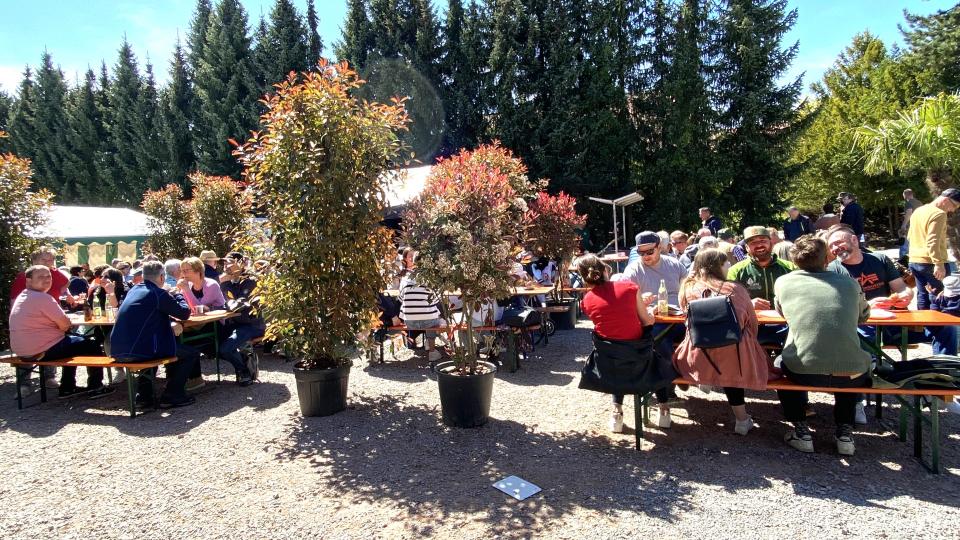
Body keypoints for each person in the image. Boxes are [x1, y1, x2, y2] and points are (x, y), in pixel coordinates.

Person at [774, 236, 872, 456]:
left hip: (803, 370)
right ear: (827, 257)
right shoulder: (849, 282)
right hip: (851, 370)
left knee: (780, 363)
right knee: (851, 365)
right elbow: (864, 315)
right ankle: (845, 432)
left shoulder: (783, 282)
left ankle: (801, 429)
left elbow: (783, 312)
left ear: (794, 259)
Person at [673, 249, 769, 435]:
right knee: (730, 360)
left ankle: (705, 378)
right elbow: (752, 323)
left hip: (699, 352)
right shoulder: (736, 289)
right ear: (717, 266)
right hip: (736, 354)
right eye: (725, 262)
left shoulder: (688, 289)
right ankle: (741, 420)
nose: (729, 265)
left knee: (718, 358)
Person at [574, 253, 665, 432]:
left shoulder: (586, 301)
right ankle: (664, 408)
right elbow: (647, 321)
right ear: (605, 269)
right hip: (640, 356)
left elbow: (612, 322)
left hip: (609, 362)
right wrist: (649, 311)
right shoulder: (630, 287)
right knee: (660, 353)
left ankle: (617, 412)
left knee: (619, 352)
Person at [9, 265, 113, 398]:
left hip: (23, 351)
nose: (46, 280)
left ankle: (67, 387)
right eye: (41, 277)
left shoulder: (23, 296)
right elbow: (65, 325)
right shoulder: (42, 298)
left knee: (74, 343)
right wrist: (62, 326)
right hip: (41, 350)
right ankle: (95, 387)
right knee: (92, 345)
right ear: (28, 280)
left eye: (48, 276)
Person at [110, 261, 198, 408]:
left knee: (155, 348)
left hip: (117, 349)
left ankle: (144, 396)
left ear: (143, 276)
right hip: (141, 350)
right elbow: (184, 313)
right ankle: (173, 394)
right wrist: (177, 294)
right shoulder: (158, 293)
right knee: (190, 354)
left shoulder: (133, 291)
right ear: (162, 277)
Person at [621, 230, 687, 407]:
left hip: (679, 319)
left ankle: (675, 380)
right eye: (641, 253)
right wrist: (641, 301)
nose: (645, 256)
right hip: (652, 320)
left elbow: (688, 289)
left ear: (660, 248)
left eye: (649, 252)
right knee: (658, 340)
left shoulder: (674, 264)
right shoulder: (634, 269)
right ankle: (672, 382)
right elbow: (624, 299)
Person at [727, 226, 796, 346]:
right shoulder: (735, 270)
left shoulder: (790, 268)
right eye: (753, 242)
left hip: (786, 324)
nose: (759, 245)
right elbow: (728, 300)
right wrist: (748, 304)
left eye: (763, 241)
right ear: (747, 248)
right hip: (752, 327)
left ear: (771, 243)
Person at [907, 188, 960, 310]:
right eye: (954, 205)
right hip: (931, 263)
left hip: (915, 261)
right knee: (939, 296)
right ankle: (936, 329)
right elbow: (933, 240)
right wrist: (938, 263)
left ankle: (921, 328)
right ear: (946, 200)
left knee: (923, 296)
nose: (952, 210)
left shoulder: (919, 210)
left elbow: (910, 236)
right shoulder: (939, 214)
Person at [218, 252, 264, 386]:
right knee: (210, 346)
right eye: (225, 263)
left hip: (251, 325)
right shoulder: (226, 280)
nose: (226, 266)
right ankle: (245, 358)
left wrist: (224, 283)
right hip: (233, 324)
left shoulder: (250, 281)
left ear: (241, 263)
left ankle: (244, 370)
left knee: (225, 349)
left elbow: (237, 303)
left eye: (230, 262)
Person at [398, 251, 444, 363]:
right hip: (428, 321)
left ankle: (427, 342)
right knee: (435, 316)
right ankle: (432, 350)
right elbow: (436, 300)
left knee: (426, 314)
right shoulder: (430, 279)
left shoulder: (405, 278)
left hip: (409, 322)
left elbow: (400, 298)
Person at [930, 276, 960, 414]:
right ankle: (942, 388)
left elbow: (934, 310)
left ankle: (941, 387)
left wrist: (932, 296)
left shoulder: (941, 297)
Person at [900, 188, 923, 258]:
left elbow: (909, 213)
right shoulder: (919, 202)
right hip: (919, 226)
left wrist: (904, 225)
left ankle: (903, 261)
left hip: (911, 226)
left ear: (905, 195)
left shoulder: (908, 203)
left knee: (905, 244)